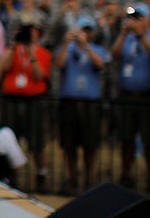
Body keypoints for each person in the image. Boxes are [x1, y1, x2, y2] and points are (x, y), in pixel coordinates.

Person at [111, 2, 150, 194]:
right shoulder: (126, 39)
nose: (135, 21)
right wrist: (123, 33)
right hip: (127, 96)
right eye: (133, 17)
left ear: (148, 19)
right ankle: (126, 176)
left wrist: (141, 35)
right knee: (126, 139)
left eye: (139, 17)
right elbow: (114, 54)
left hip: (148, 97)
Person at [0, 13, 52, 191]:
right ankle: (10, 176)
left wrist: (31, 54)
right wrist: (14, 47)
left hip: (33, 101)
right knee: (11, 138)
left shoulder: (43, 53)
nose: (30, 34)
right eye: (25, 30)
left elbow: (39, 75)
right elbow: (3, 69)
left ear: (39, 33)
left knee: (36, 140)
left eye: (33, 31)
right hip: (11, 101)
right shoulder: (11, 51)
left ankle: (41, 175)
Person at [56, 15, 107, 194]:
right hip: (69, 102)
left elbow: (100, 64)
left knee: (90, 145)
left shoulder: (97, 49)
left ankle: (90, 179)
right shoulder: (67, 49)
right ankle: (71, 178)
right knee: (69, 144)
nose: (84, 33)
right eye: (82, 30)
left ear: (92, 33)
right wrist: (64, 44)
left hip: (90, 104)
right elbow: (59, 64)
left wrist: (86, 47)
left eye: (88, 30)